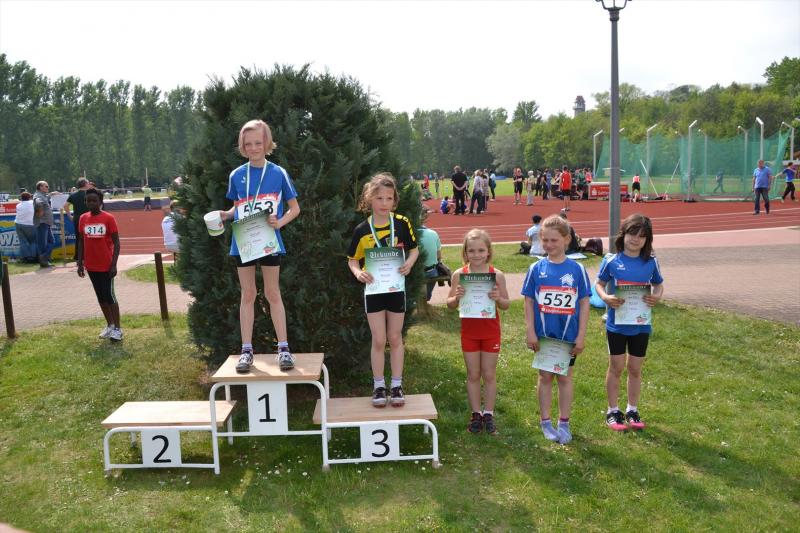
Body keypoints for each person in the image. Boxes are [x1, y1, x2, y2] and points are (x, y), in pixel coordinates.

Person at [218, 119, 301, 373]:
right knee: (248, 294)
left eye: (258, 142)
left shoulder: (278, 173)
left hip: (268, 241)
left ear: (267, 143)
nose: (253, 148)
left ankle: (284, 349)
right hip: (244, 241)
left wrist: (280, 223)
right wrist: (226, 215)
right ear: (242, 146)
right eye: (248, 144)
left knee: (272, 293)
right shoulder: (236, 175)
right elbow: (238, 206)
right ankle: (246, 351)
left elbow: (295, 208)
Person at [348, 173, 419, 407]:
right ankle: (379, 386)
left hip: (396, 289)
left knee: (395, 337)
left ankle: (397, 385)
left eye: (389, 198)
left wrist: (409, 263)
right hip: (374, 290)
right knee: (378, 339)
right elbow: (352, 260)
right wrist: (358, 273)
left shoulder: (402, 223)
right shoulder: (361, 229)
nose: (384, 203)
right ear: (369, 199)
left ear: (395, 200)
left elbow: (414, 250)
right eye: (379, 198)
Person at [521, 214, 591, 445]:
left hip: (567, 336)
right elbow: (529, 301)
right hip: (544, 335)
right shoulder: (535, 268)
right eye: (545, 240)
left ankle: (564, 422)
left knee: (565, 377)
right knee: (545, 376)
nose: (549, 245)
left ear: (567, 239)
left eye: (554, 240)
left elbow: (584, 302)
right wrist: (530, 331)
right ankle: (545, 422)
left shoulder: (577, 269)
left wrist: (581, 336)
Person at [595, 214, 664, 432]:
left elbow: (658, 284)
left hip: (641, 325)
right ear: (623, 234)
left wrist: (657, 296)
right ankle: (612, 411)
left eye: (642, 236)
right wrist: (605, 298)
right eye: (633, 234)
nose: (636, 239)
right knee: (616, 367)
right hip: (616, 324)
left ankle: (632, 410)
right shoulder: (611, 260)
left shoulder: (651, 262)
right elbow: (599, 283)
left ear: (647, 240)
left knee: (635, 368)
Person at [446, 229, 510, 434]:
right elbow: (450, 304)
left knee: (489, 374)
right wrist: (456, 297)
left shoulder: (497, 275)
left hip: (490, 332)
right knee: (473, 374)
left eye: (481, 250)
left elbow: (506, 304)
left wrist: (498, 298)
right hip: (469, 333)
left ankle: (488, 413)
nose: (476, 255)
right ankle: (476, 414)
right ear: (465, 252)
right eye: (471, 251)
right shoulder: (459, 275)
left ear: (488, 251)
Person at [76, 188, 122, 341]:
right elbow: (81, 241)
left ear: (100, 202)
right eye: (88, 200)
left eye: (94, 200)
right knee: (100, 297)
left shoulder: (108, 218)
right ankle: (110, 325)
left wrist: (114, 264)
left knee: (109, 296)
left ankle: (118, 329)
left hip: (106, 265)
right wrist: (80, 262)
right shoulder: (83, 218)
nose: (91, 203)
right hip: (91, 265)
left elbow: (116, 242)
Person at [417, 222, 442, 302]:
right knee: (427, 296)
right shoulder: (433, 233)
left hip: (415, 273)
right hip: (431, 272)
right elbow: (439, 256)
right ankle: (426, 298)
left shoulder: (408, 234)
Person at [33, 181, 55, 268]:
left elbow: (44, 198)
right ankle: (44, 261)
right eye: (46, 186)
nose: (48, 188)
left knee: (51, 241)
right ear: (40, 187)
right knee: (43, 244)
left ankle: (44, 259)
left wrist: (51, 194)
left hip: (46, 223)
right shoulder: (38, 196)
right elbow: (38, 202)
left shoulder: (42, 195)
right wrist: (40, 211)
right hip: (42, 223)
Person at [14, 191, 37, 263]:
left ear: (21, 198)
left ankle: (26, 258)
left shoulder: (18, 205)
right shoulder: (32, 203)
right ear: (29, 197)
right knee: (33, 241)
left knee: (23, 241)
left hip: (19, 224)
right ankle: (33, 257)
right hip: (30, 224)